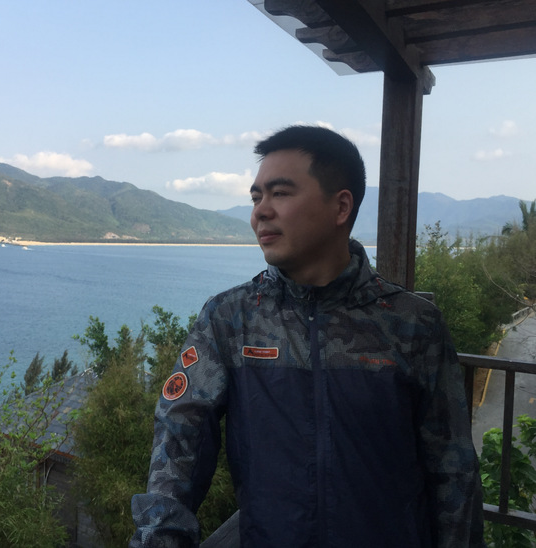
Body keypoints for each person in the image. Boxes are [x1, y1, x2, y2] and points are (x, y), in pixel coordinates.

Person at [130, 125, 485, 547]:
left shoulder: (412, 324)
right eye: (256, 197)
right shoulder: (230, 318)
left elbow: (453, 469)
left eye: (280, 193)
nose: (260, 212)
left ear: (341, 206)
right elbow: (179, 438)